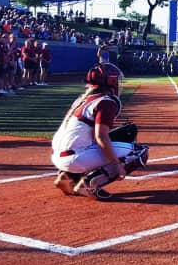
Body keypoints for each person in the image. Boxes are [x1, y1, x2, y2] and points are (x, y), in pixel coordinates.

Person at [50, 63, 149, 200]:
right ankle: (89, 185)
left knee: (112, 140)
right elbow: (100, 136)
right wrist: (117, 164)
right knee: (139, 152)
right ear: (110, 82)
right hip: (75, 158)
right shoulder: (106, 102)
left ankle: (68, 177)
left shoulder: (83, 99)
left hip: (58, 155)